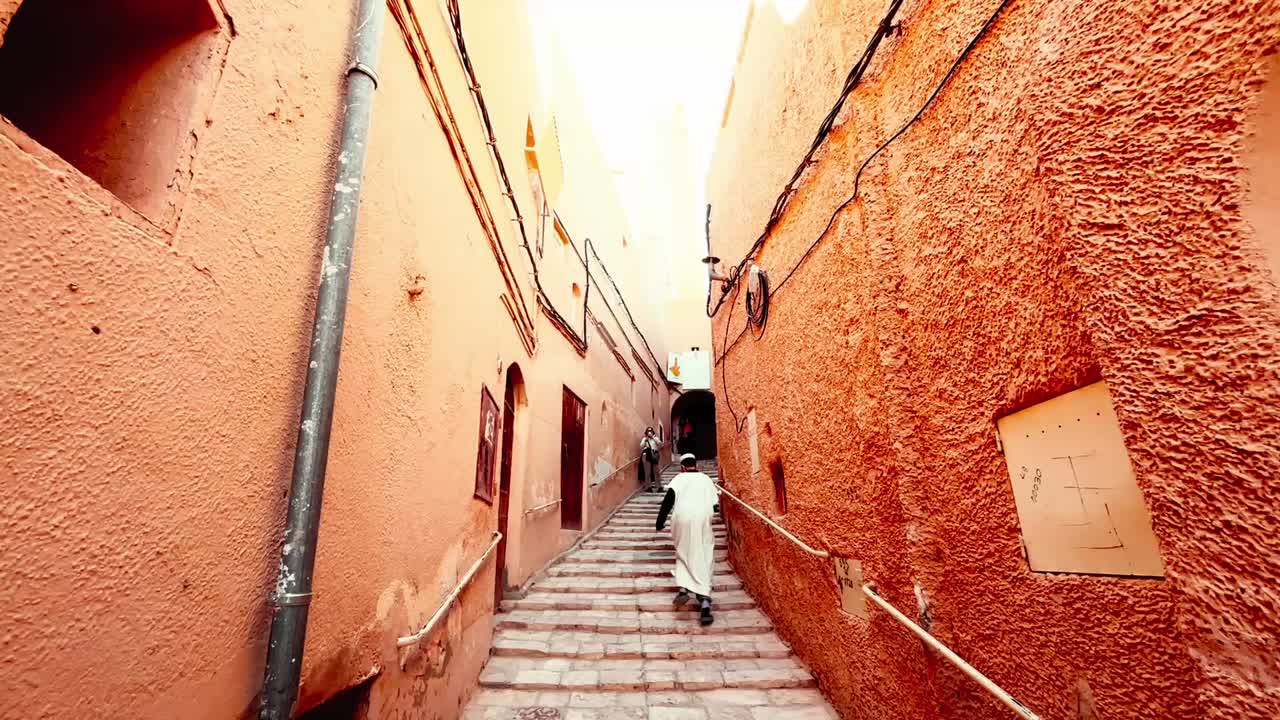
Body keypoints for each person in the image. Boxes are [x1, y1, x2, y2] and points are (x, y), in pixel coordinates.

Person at [655, 453, 720, 626]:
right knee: (705, 554)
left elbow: (667, 502)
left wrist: (659, 522)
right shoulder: (706, 479)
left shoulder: (679, 479)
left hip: (682, 519)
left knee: (683, 552)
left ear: (682, 467)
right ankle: (704, 599)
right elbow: (715, 505)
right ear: (695, 465)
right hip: (702, 520)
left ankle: (684, 587)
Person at [640, 427, 662, 492]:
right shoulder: (644, 438)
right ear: (646, 432)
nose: (649, 432)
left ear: (653, 431)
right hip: (647, 455)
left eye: (651, 430)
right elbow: (641, 446)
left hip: (654, 454)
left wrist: (653, 438)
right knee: (647, 472)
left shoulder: (655, 438)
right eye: (648, 431)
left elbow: (660, 444)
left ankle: (659, 486)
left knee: (656, 471)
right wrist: (645, 440)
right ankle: (648, 487)